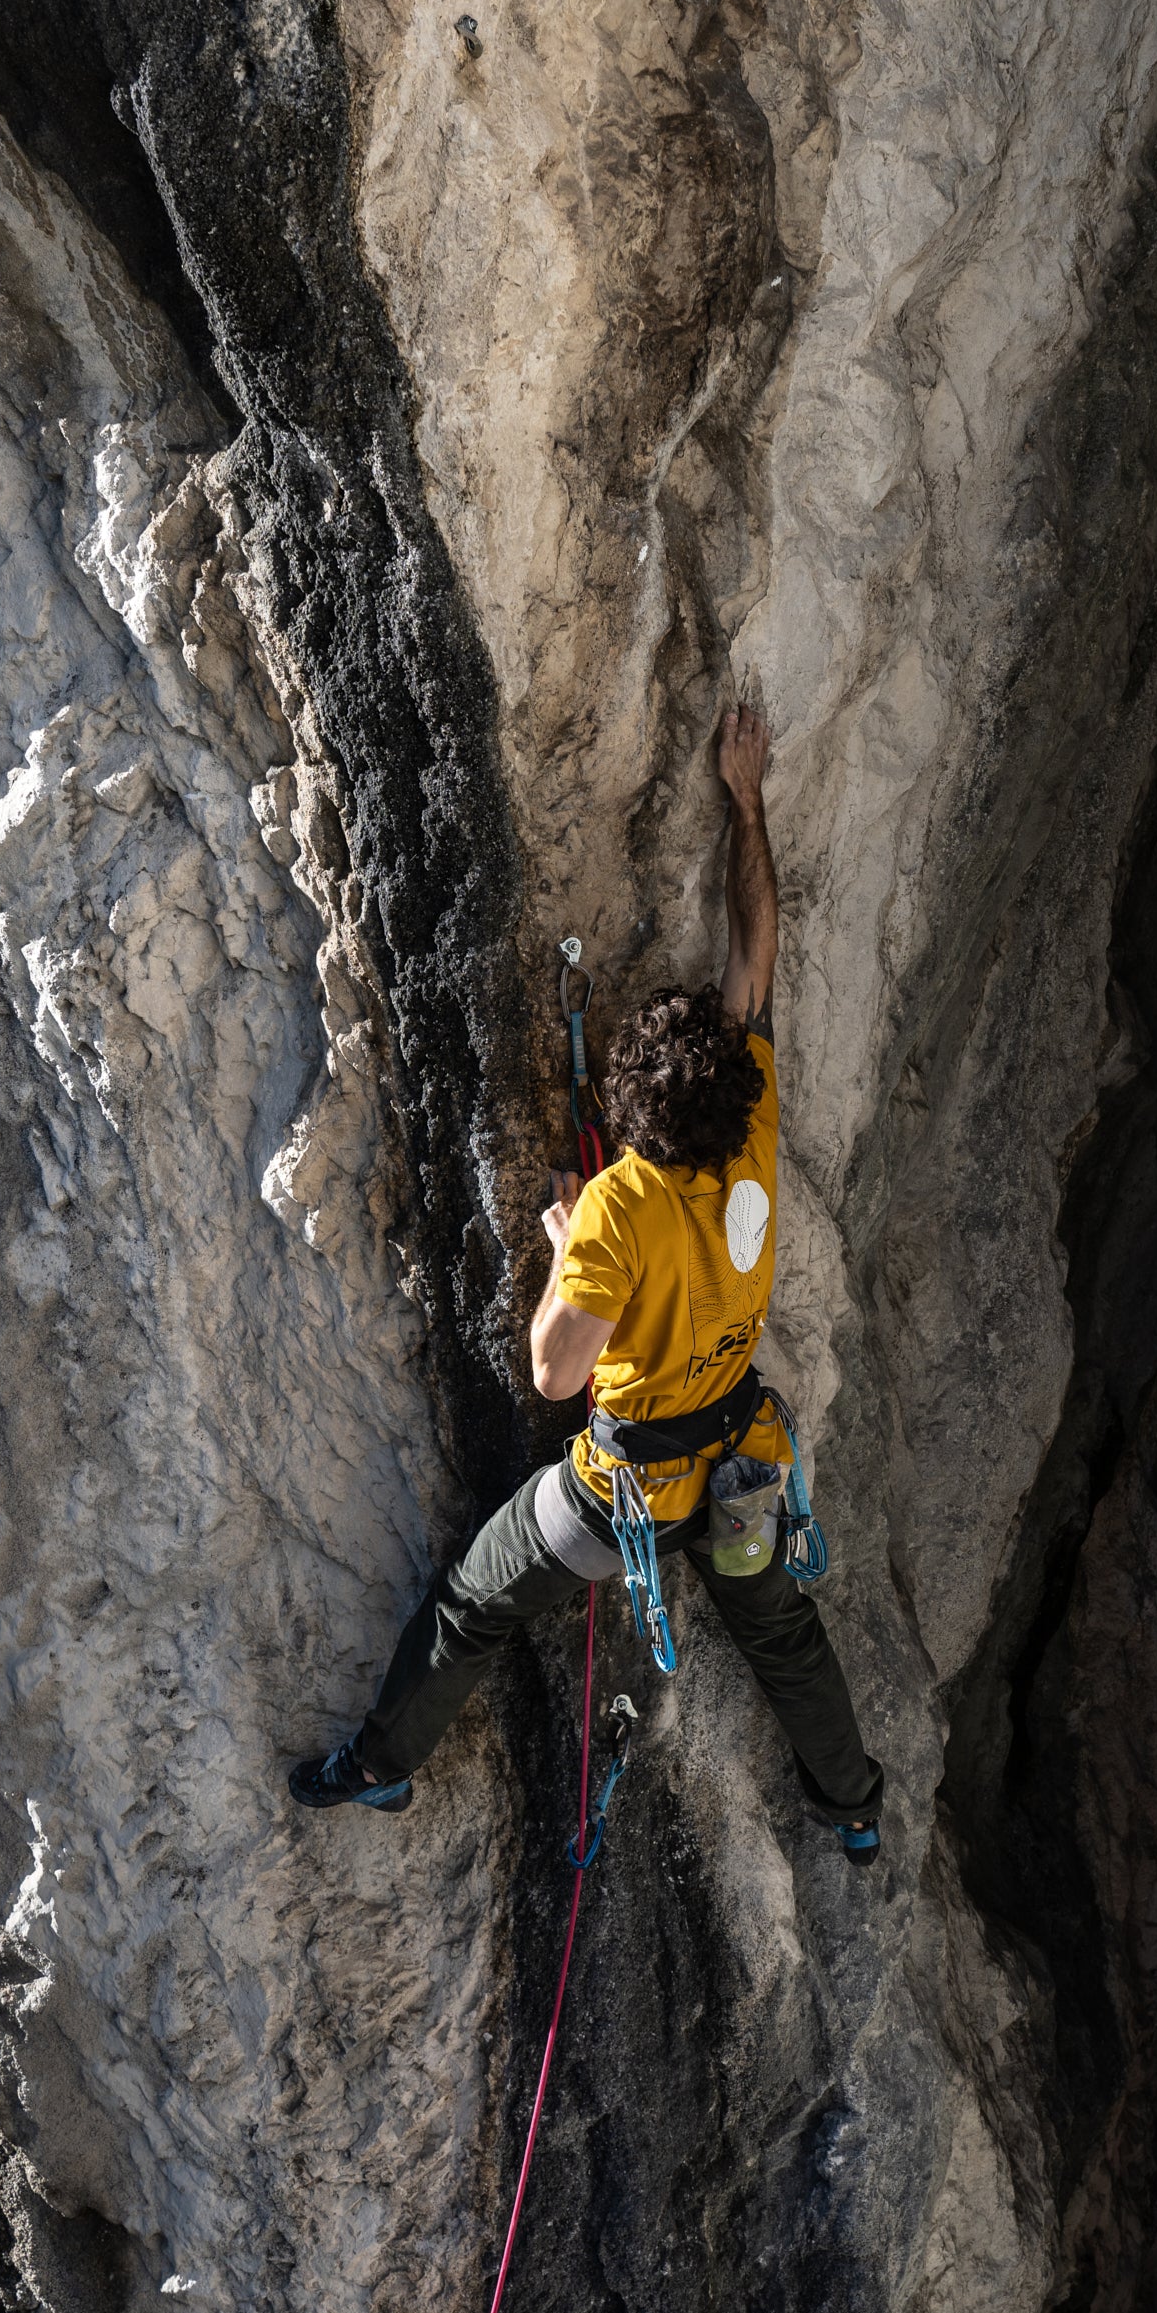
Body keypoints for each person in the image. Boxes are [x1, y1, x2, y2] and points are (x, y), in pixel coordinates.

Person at [288, 705, 885, 1863]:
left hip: (630, 1493)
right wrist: (744, 802)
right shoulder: (749, 1114)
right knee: (784, 1639)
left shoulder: (620, 1206)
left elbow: (556, 1373)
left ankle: (376, 1768)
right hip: (744, 1457)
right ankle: (851, 1803)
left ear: (628, 1121)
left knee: (470, 1606)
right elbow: (754, 954)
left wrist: (567, 1239)